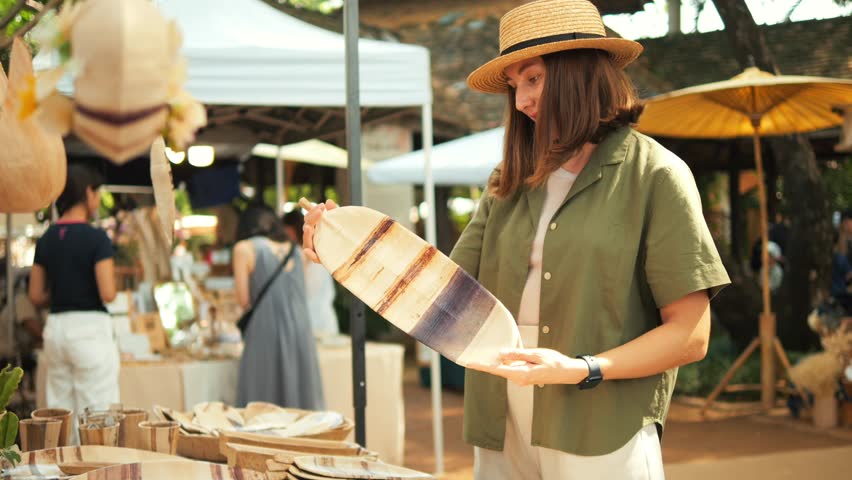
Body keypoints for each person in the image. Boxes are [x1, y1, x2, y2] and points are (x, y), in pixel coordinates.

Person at [302, 1, 730, 478]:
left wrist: (582, 367)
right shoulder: (507, 182)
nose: (522, 101)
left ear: (580, 73)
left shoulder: (656, 176)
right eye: (514, 86)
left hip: (600, 424)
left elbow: (691, 335)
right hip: (500, 420)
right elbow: (441, 286)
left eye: (533, 79)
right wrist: (348, 249)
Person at [29, 163, 119, 432]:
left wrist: (62, 290)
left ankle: (62, 469)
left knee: (61, 414)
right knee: (96, 413)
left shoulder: (46, 238)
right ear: (88, 193)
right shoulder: (96, 238)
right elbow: (108, 292)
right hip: (89, 329)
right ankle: (95, 470)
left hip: (56, 328)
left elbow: (36, 295)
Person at [232, 204, 324, 409]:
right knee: (300, 397)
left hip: (265, 329)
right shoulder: (298, 251)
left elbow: (243, 300)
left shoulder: (244, 249)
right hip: (300, 330)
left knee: (261, 397)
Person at [283, 209, 340, 338]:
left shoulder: (298, 253)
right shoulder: (319, 248)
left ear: (291, 230)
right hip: (325, 319)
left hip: (308, 321)